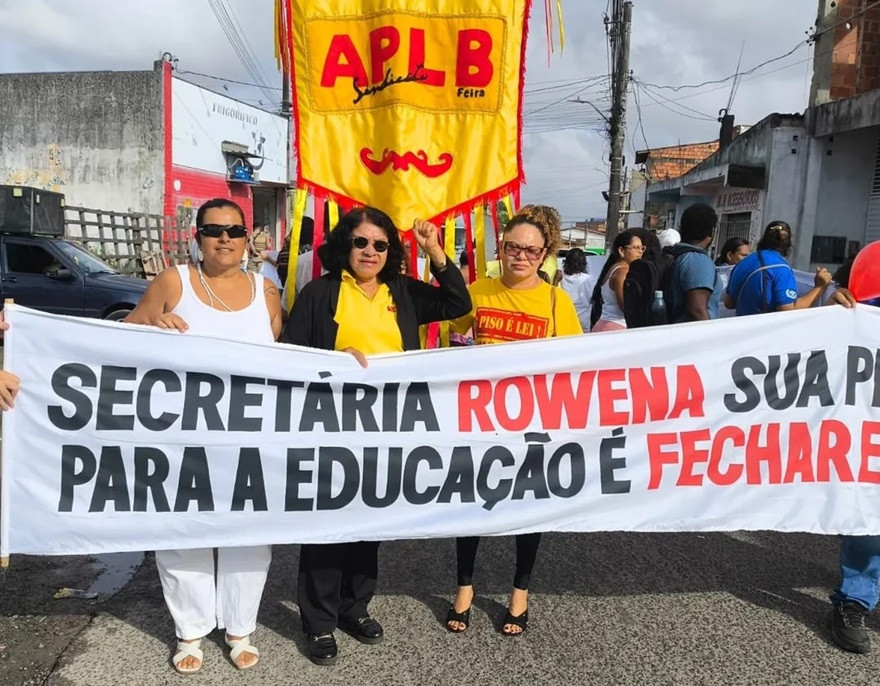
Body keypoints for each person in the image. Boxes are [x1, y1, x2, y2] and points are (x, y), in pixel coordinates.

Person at [280, 207, 470, 666]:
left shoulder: (402, 291)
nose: (370, 251)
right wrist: (333, 357)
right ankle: (319, 622)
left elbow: (458, 305)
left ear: (391, 251)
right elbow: (289, 354)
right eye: (361, 242)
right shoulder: (319, 292)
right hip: (331, 426)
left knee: (369, 521)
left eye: (380, 245)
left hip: (388, 428)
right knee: (327, 526)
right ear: (345, 244)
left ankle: (354, 606)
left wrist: (436, 252)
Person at [124, 198, 282, 674]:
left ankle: (239, 626)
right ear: (198, 236)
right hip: (181, 439)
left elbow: (281, 365)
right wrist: (150, 323)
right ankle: (189, 629)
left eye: (235, 231)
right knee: (182, 533)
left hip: (249, 441)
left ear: (248, 238)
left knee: (250, 535)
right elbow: (121, 336)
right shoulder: (174, 282)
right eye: (214, 230)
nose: (225, 239)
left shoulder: (267, 292)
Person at [447, 205, 582, 637]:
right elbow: (448, 331)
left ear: (545, 255)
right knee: (472, 506)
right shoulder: (479, 290)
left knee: (527, 510)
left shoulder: (556, 301)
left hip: (533, 424)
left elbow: (579, 362)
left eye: (530, 250)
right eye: (512, 247)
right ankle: (464, 589)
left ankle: (519, 593)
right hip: (481, 420)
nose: (520, 256)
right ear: (501, 248)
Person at [724, 221, 832, 316]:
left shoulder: (742, 263)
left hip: (741, 331)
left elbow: (728, 303)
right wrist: (819, 287)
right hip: (765, 333)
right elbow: (787, 311)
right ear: (790, 243)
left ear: (763, 239)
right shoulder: (781, 268)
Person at [664, 203, 723, 323]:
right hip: (690, 336)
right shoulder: (697, 260)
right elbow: (697, 311)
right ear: (712, 232)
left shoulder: (677, 253)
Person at [589, 229, 644, 332]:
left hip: (604, 324)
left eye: (642, 248)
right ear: (622, 251)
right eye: (635, 247)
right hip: (616, 327)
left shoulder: (614, 268)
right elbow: (625, 306)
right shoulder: (622, 272)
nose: (640, 251)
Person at [557, 247, 594, 332]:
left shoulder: (560, 277)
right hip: (583, 318)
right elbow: (592, 298)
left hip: (565, 316)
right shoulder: (588, 279)